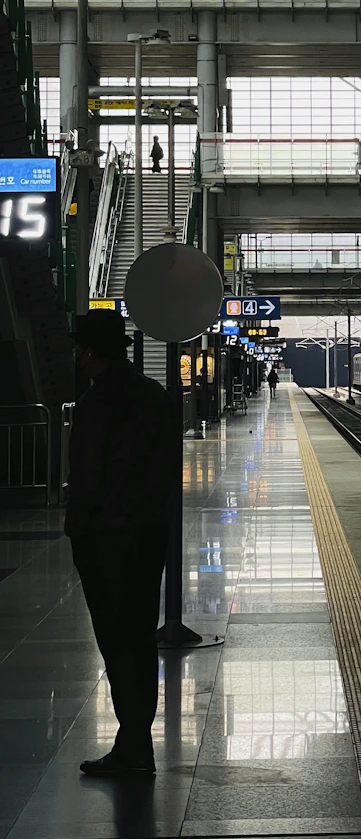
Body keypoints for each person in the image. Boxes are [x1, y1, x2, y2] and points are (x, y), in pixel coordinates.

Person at [65, 310, 174, 778]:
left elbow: (87, 478)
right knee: (141, 638)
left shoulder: (94, 405)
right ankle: (135, 740)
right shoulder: (156, 397)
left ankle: (133, 745)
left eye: (80, 349)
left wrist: (77, 529)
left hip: (107, 540)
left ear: (90, 352)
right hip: (149, 536)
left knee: (116, 641)